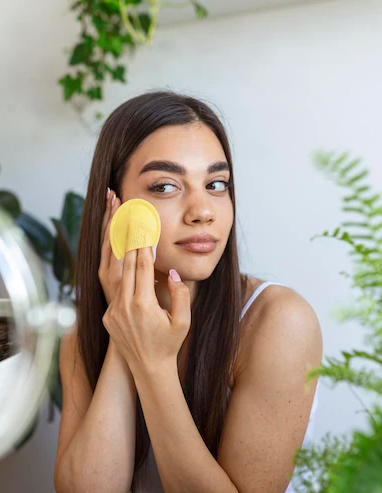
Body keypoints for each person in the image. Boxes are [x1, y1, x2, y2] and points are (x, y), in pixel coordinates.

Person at [53, 90, 322, 493]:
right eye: (165, 187)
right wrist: (125, 332)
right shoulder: (82, 335)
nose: (203, 211)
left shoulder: (279, 322)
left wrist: (154, 365)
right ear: (114, 207)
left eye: (216, 184)